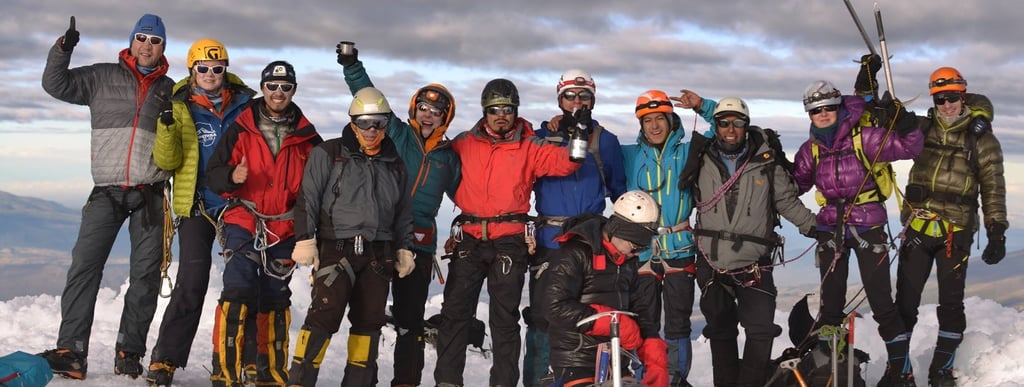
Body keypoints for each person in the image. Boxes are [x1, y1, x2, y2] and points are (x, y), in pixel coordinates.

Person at [37, 14, 174, 380]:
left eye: (155, 40)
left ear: (163, 47)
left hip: (151, 195)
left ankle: (129, 353)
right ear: (131, 41)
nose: (147, 45)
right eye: (142, 37)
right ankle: (71, 352)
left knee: (145, 276)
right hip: (106, 191)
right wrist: (62, 49)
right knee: (84, 267)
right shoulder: (101, 76)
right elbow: (55, 84)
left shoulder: (171, 90)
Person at [433, 78, 581, 387]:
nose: (502, 115)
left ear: (515, 112)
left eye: (508, 109)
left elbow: (568, 163)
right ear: (485, 112)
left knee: (504, 319)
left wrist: (578, 134)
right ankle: (447, 382)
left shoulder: (529, 146)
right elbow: (438, 166)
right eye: (495, 109)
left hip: (510, 239)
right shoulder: (463, 143)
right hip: (470, 236)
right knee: (455, 314)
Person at [869, 63, 1005, 387]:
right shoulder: (922, 128)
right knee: (905, 302)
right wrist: (880, 101)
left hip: (955, 232)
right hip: (918, 227)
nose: (946, 105)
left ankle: (941, 372)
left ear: (963, 94)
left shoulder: (983, 140)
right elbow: (886, 126)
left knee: (951, 305)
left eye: (952, 97)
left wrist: (996, 230)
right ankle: (898, 370)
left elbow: (994, 187)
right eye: (940, 98)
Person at [336, 44, 461, 387]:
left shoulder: (449, 158)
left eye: (436, 111)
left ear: (445, 117)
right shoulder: (396, 133)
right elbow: (367, 95)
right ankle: (364, 380)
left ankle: (406, 382)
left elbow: (468, 192)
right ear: (413, 109)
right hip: (382, 236)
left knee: (410, 322)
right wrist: (351, 64)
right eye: (422, 107)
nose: (427, 114)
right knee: (371, 316)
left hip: (419, 242)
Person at [675, 93, 817, 386]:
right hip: (712, 261)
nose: (730, 128)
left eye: (737, 122)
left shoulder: (766, 161)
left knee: (761, 330)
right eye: (724, 123)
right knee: (721, 330)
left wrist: (815, 229)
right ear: (716, 126)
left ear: (746, 125)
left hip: (755, 262)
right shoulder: (700, 157)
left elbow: (786, 202)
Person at [790, 79, 922, 385]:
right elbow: (797, 184)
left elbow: (911, 147)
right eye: (816, 110)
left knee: (881, 303)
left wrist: (905, 123)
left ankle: (902, 372)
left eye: (828, 108)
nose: (822, 114)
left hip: (868, 224)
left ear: (839, 108)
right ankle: (831, 372)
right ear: (809, 115)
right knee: (830, 307)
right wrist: (771, 161)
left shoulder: (865, 138)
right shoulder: (811, 149)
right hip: (830, 226)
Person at [286, 87, 415, 387]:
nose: (372, 130)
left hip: (379, 254)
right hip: (336, 248)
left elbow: (403, 211)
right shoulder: (329, 153)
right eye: (366, 122)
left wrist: (404, 248)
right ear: (353, 122)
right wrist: (305, 239)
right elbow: (308, 197)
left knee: (369, 323)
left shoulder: (394, 163)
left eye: (379, 123)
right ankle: (299, 382)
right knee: (323, 317)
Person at [145, 38, 256, 386]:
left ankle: (246, 360)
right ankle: (165, 360)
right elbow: (168, 162)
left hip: (239, 204)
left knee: (244, 282)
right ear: (192, 70)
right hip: (197, 205)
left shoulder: (246, 105)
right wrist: (165, 128)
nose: (210, 74)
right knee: (192, 281)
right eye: (203, 68)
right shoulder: (180, 106)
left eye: (217, 67)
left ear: (226, 69)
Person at [205, 60, 322, 387]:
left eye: (285, 87)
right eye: (272, 86)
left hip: (285, 228)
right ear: (263, 88)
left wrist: (307, 235)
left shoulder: (309, 139)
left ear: (293, 90)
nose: (278, 92)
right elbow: (213, 176)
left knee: (274, 296)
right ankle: (225, 375)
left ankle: (270, 375)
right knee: (238, 289)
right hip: (244, 221)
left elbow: (317, 192)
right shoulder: (241, 128)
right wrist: (232, 176)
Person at [523, 68, 626, 387]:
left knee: (590, 317)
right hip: (550, 242)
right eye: (570, 95)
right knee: (543, 319)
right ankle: (540, 380)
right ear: (559, 99)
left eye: (584, 96)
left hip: (590, 244)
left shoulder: (605, 141)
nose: (577, 101)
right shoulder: (540, 137)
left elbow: (619, 192)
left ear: (593, 100)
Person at [621, 89, 712, 387]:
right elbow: (594, 146)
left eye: (661, 118)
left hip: (679, 247)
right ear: (640, 125)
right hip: (642, 250)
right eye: (648, 120)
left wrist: (702, 106)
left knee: (677, 323)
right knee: (643, 322)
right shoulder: (629, 155)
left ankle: (674, 379)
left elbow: (725, 130)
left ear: (672, 121)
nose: (655, 126)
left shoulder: (688, 151)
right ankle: (647, 378)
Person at [544, 190, 669, 387]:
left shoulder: (627, 261)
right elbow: (554, 307)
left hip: (617, 359)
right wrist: (611, 321)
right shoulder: (575, 253)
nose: (636, 255)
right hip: (576, 359)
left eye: (643, 249)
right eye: (635, 247)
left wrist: (655, 357)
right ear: (618, 231)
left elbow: (639, 310)